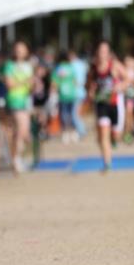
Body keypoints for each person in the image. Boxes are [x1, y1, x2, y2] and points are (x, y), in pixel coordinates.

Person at [86, 41, 127, 172]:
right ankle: (107, 163)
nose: (102, 54)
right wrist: (91, 92)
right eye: (100, 51)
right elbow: (89, 85)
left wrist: (120, 86)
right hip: (101, 104)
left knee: (116, 135)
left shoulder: (114, 66)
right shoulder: (93, 68)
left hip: (115, 104)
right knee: (103, 134)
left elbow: (128, 78)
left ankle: (114, 139)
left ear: (109, 53)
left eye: (105, 51)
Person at [2, 41, 35, 174]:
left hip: (26, 101)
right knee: (20, 129)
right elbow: (9, 84)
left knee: (24, 133)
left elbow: (31, 86)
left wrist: (33, 85)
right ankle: (15, 159)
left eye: (22, 49)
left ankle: (17, 156)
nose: (19, 52)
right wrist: (25, 81)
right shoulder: (9, 66)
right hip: (14, 101)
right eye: (17, 49)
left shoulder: (29, 66)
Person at [52, 50, 79, 143]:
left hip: (63, 94)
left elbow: (54, 82)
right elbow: (75, 81)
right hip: (72, 94)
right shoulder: (71, 68)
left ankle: (65, 133)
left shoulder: (58, 68)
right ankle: (74, 132)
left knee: (64, 114)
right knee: (71, 114)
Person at [70, 49, 89, 139]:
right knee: (76, 114)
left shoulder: (72, 65)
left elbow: (73, 80)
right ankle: (79, 130)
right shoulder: (82, 64)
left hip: (75, 93)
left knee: (75, 114)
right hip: (82, 92)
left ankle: (82, 131)